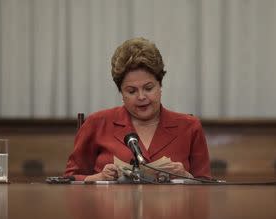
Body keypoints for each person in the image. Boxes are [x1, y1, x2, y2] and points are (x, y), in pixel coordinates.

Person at [64, 37, 211, 181]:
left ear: (160, 86)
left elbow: (207, 185)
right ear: (121, 93)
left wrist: (186, 177)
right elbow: (69, 180)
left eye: (148, 88)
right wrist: (98, 178)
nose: (141, 97)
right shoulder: (97, 123)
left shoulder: (189, 127)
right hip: (111, 205)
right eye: (131, 91)